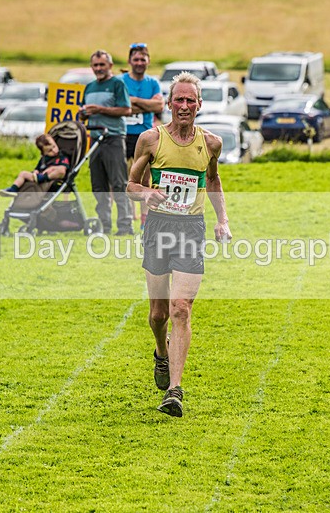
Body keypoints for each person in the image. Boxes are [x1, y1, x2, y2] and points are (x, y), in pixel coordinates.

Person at [126, 72, 232, 418]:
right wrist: (148, 193)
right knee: (158, 315)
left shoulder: (211, 143)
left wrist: (223, 220)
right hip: (157, 227)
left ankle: (175, 390)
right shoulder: (151, 140)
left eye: (191, 100)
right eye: (179, 100)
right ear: (170, 103)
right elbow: (130, 185)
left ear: (199, 105)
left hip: (190, 229)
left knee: (181, 307)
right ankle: (160, 350)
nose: (184, 106)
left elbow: (213, 180)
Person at [79, 50, 133, 235]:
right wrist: (84, 114)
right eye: (95, 65)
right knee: (98, 185)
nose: (98, 68)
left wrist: (100, 109)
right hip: (94, 140)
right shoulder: (89, 87)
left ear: (109, 66)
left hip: (114, 138)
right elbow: (85, 111)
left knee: (118, 183)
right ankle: (104, 225)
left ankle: (125, 226)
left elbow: (126, 109)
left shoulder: (117, 83)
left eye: (102, 65)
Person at [121, 43, 164, 231]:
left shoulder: (153, 83)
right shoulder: (120, 81)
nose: (139, 62)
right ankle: (128, 217)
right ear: (130, 61)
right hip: (123, 135)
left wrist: (134, 101)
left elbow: (159, 107)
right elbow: (121, 105)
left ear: (148, 61)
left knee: (144, 180)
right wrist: (147, 104)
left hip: (145, 136)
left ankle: (145, 219)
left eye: (142, 59)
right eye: (136, 59)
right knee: (125, 180)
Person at [0, 133, 70, 197]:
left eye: (54, 147)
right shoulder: (44, 159)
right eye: (49, 151)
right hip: (38, 177)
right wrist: (36, 171)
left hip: (55, 179)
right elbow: (37, 168)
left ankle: (43, 178)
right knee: (23, 173)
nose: (54, 151)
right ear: (43, 153)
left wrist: (51, 168)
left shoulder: (62, 156)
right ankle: (13, 189)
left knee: (60, 170)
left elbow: (63, 170)